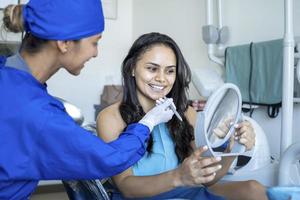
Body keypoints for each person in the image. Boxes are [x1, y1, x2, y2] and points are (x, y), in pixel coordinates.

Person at [0, 1, 176, 199]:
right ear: (64, 42)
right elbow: (108, 159)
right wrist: (148, 122)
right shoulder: (38, 113)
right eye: (94, 42)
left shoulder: (9, 78)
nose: (95, 52)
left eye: (170, 70)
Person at [97, 32, 268, 200]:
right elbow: (126, 186)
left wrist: (233, 148)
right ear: (132, 68)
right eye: (152, 69)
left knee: (253, 189)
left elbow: (207, 178)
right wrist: (179, 176)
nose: (161, 78)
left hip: (185, 193)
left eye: (170, 71)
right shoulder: (111, 118)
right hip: (139, 197)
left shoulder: (186, 113)